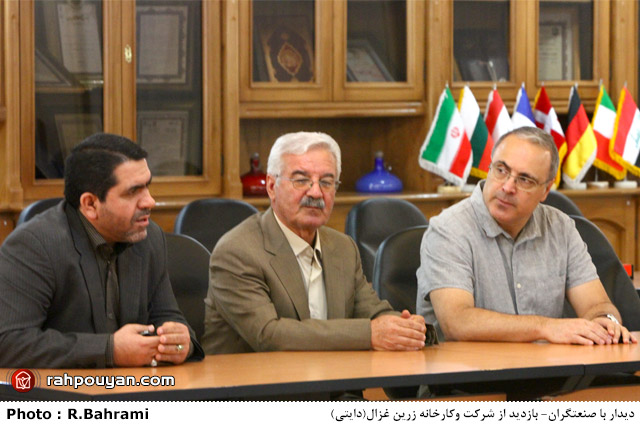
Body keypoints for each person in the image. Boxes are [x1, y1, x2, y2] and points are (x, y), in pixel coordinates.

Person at [202, 131, 427, 354]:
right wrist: (370, 333)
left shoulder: (343, 247)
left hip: (334, 377)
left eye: (327, 182)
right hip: (256, 377)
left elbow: (373, 313)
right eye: (301, 180)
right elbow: (269, 335)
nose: (316, 193)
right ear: (271, 186)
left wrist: (408, 329)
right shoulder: (237, 251)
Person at [417, 126, 637, 346]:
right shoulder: (448, 229)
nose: (507, 187)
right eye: (501, 170)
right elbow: (457, 322)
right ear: (489, 168)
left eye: (525, 180)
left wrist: (605, 322)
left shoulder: (561, 228)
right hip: (470, 367)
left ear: (546, 190)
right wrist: (546, 327)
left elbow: (596, 305)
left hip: (548, 365)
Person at [0, 133, 204, 368]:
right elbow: (8, 342)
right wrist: (108, 350)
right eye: (133, 192)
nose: (149, 201)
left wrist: (180, 342)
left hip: (135, 387)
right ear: (90, 204)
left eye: (147, 186)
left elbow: (167, 318)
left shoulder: (149, 237)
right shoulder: (34, 245)